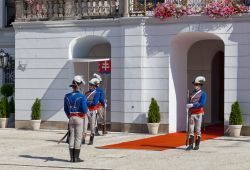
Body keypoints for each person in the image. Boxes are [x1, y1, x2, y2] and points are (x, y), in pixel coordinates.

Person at [64, 75, 88, 162]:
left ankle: (71, 158)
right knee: (78, 137)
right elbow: (85, 110)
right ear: (79, 85)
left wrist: (70, 116)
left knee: (72, 137)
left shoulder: (67, 96)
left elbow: (65, 109)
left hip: (71, 117)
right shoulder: (82, 96)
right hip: (79, 118)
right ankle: (76, 158)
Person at [186, 76, 206, 151]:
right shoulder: (191, 93)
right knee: (191, 129)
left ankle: (197, 145)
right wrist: (187, 106)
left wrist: (192, 105)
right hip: (192, 114)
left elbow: (202, 104)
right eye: (195, 84)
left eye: (197, 84)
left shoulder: (203, 94)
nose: (195, 86)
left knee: (197, 129)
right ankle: (190, 145)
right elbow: (189, 102)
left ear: (200, 85)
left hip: (198, 113)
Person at [82, 78, 100, 145]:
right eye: (90, 85)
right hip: (86, 110)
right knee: (84, 125)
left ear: (94, 86)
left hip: (92, 111)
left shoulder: (97, 93)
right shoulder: (86, 93)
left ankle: (91, 140)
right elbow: (83, 101)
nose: (90, 86)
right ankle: (83, 139)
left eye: (91, 85)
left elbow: (94, 103)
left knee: (92, 126)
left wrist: (86, 102)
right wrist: (87, 102)